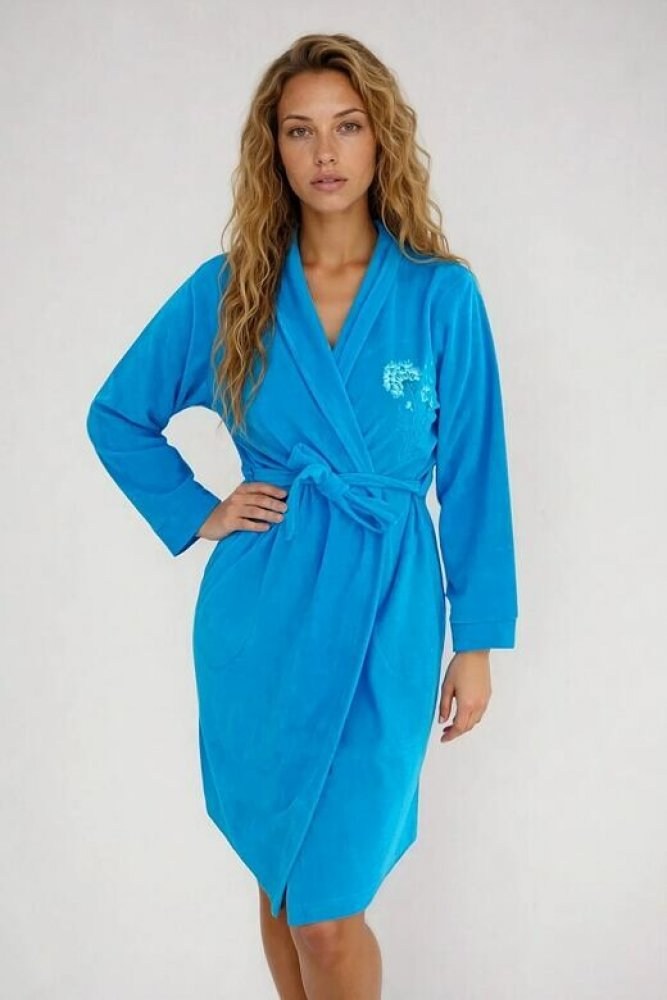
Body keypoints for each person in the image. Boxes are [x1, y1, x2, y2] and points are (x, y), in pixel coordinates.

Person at [86, 32, 518, 1000]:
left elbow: (476, 472)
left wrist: (479, 639)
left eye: (347, 126)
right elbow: (116, 416)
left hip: (387, 612)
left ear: (380, 140)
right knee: (282, 872)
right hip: (263, 612)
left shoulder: (439, 295)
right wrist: (201, 511)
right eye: (299, 130)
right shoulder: (231, 288)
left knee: (326, 912)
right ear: (272, 149)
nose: (325, 152)